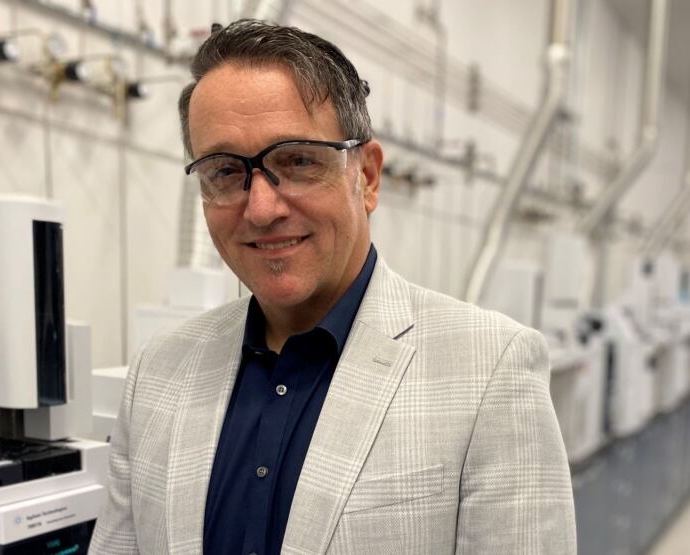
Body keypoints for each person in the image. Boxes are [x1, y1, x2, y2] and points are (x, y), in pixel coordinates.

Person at [90, 19, 576, 555]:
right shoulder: (158, 372)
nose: (261, 208)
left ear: (365, 176)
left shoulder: (489, 368)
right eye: (226, 171)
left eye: (297, 161)